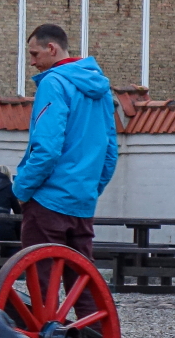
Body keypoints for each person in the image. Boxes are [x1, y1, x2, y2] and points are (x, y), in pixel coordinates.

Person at [12, 25, 118, 282]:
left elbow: (46, 149)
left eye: (35, 54)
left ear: (52, 48)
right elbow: (110, 152)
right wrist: (90, 190)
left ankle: (43, 324)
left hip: (48, 201)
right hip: (81, 202)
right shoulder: (101, 89)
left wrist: (21, 191)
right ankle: (90, 324)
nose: (33, 62)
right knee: (82, 283)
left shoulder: (53, 82)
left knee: (41, 284)